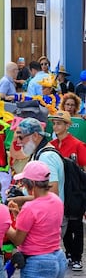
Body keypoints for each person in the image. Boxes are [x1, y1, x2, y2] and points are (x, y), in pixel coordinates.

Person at [6, 161, 67, 278]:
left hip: (38, 263)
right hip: (58, 256)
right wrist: (18, 215)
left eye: (24, 182)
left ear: (32, 183)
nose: (23, 185)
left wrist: (5, 224)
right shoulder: (56, 200)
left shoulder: (30, 208)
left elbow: (17, 240)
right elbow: (39, 227)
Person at [12, 117, 66, 235]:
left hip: (47, 220)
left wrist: (21, 199)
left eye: (21, 137)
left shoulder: (47, 157)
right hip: (43, 216)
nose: (18, 142)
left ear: (35, 136)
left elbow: (51, 195)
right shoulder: (39, 152)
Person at [49, 110, 86, 271]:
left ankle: (77, 258)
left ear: (67, 125)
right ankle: (69, 253)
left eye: (59, 123)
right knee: (62, 224)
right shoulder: (51, 146)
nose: (56, 126)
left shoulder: (78, 144)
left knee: (76, 225)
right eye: (54, 123)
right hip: (59, 189)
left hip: (75, 191)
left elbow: (84, 167)